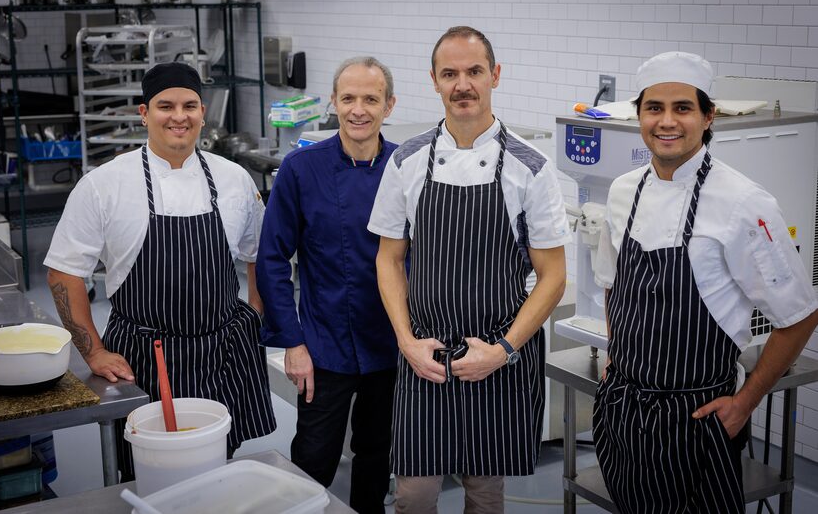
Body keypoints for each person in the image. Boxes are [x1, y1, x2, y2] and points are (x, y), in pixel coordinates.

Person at [592, 51, 818, 513]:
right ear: (639, 115)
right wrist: (617, 359)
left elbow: (799, 314)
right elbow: (614, 285)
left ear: (707, 115)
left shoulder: (743, 203)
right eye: (654, 108)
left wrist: (744, 403)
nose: (667, 121)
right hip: (624, 411)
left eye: (682, 108)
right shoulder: (622, 190)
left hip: (699, 421)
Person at [369, 26, 569, 513]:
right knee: (413, 495)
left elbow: (553, 276)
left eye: (474, 71)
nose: (463, 84)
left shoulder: (532, 167)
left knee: (485, 492)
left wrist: (503, 350)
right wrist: (406, 342)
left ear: (495, 76)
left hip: (495, 356)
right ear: (434, 81)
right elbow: (389, 258)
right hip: (425, 355)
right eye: (450, 73)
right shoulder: (407, 160)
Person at [45, 62, 276, 476]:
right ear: (143, 113)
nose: (179, 116)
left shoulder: (234, 178)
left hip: (222, 352)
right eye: (165, 105)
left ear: (203, 112)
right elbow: (63, 272)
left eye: (189, 105)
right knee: (148, 469)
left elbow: (258, 252)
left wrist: (256, 308)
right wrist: (93, 350)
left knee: (221, 464)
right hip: (146, 358)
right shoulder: (104, 184)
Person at [257, 56, 398, 513]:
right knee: (313, 459)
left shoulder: (407, 167)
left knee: (377, 456)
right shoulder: (301, 168)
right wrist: (292, 343)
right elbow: (273, 259)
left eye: (370, 99)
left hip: (392, 344)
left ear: (389, 105)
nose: (359, 110)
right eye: (349, 98)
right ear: (333, 103)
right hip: (325, 346)